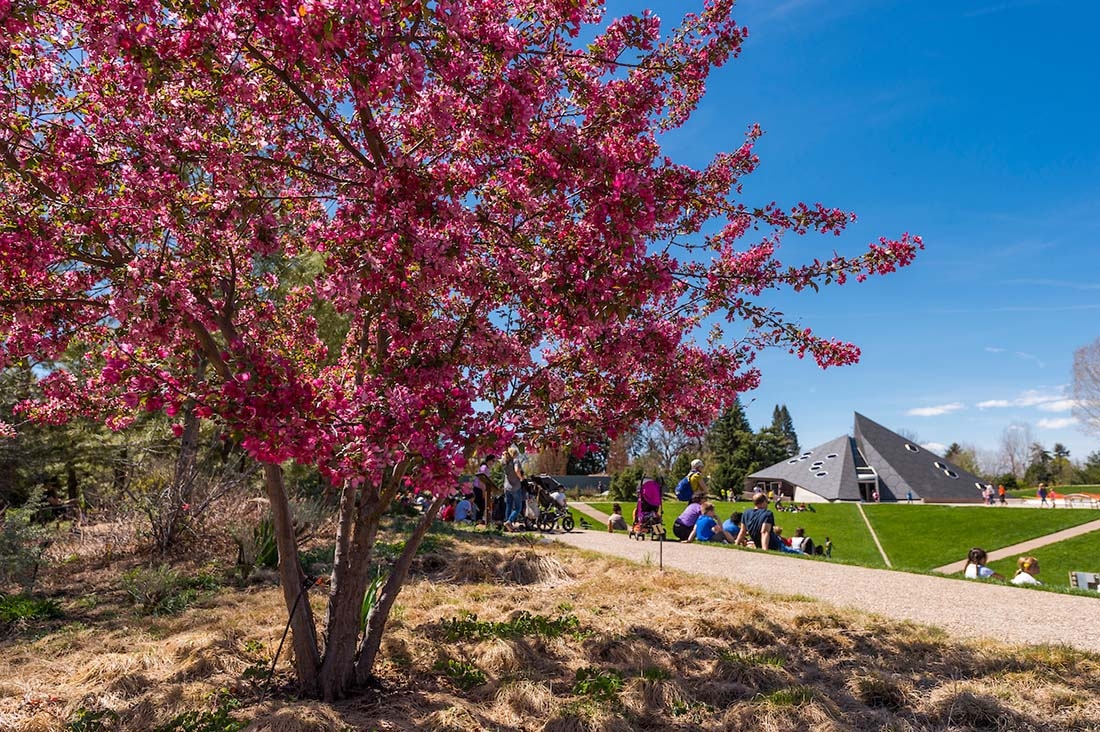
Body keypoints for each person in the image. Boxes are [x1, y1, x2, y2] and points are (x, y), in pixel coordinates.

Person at [735, 493, 801, 553]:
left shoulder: (746, 513)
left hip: (759, 545)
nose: (767, 505)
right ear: (763, 502)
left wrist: (736, 545)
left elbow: (742, 531)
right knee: (800, 554)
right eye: (767, 502)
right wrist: (765, 551)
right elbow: (764, 532)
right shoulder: (767, 514)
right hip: (775, 545)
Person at [501, 448, 524, 530]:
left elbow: (502, 458)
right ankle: (509, 521)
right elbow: (517, 470)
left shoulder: (505, 462)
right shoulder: (515, 461)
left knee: (509, 506)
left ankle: (507, 526)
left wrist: (504, 454)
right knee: (518, 507)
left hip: (507, 487)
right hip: (515, 487)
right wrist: (521, 478)